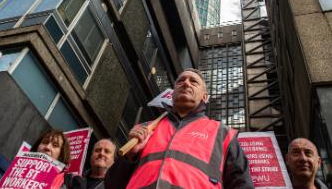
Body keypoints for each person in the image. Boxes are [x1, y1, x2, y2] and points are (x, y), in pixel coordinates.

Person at [105, 68, 254, 188]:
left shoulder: (222, 133)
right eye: (180, 81)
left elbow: (242, 184)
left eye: (193, 82)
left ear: (204, 96)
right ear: (173, 93)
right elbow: (112, 184)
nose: (186, 83)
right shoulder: (145, 129)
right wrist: (128, 157)